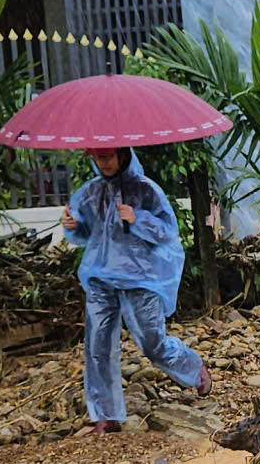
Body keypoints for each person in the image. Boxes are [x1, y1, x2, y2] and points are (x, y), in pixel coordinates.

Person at [62, 147, 209, 432]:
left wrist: (137, 218)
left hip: (141, 279)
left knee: (153, 343)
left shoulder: (147, 190)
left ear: (121, 155)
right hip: (101, 279)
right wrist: (74, 225)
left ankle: (194, 369)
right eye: (98, 158)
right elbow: (84, 234)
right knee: (98, 346)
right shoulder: (91, 193)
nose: (103, 163)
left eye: (108, 156)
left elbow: (168, 231)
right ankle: (106, 416)